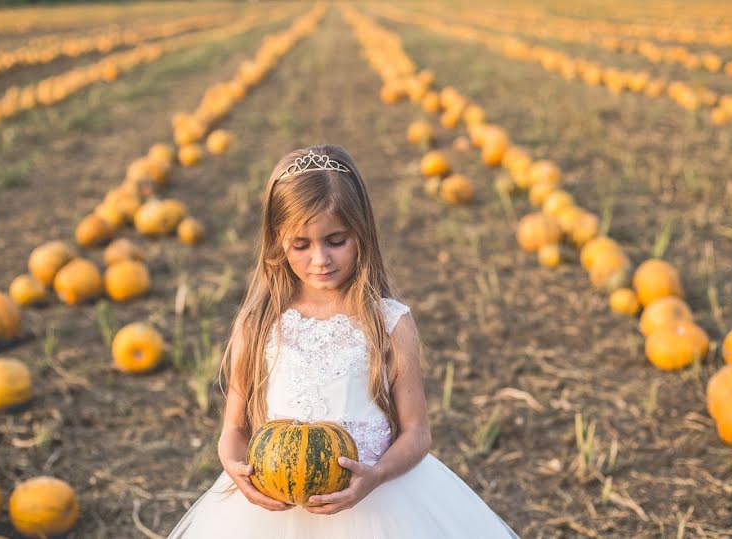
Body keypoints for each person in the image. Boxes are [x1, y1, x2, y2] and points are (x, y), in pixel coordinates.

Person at [167, 145, 519, 538]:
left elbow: (417, 432)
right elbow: (233, 428)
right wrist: (236, 467)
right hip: (275, 506)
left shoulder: (389, 322)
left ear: (361, 234)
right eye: (301, 245)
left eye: (336, 240)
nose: (320, 259)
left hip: (377, 501)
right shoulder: (259, 321)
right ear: (277, 242)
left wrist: (377, 474)